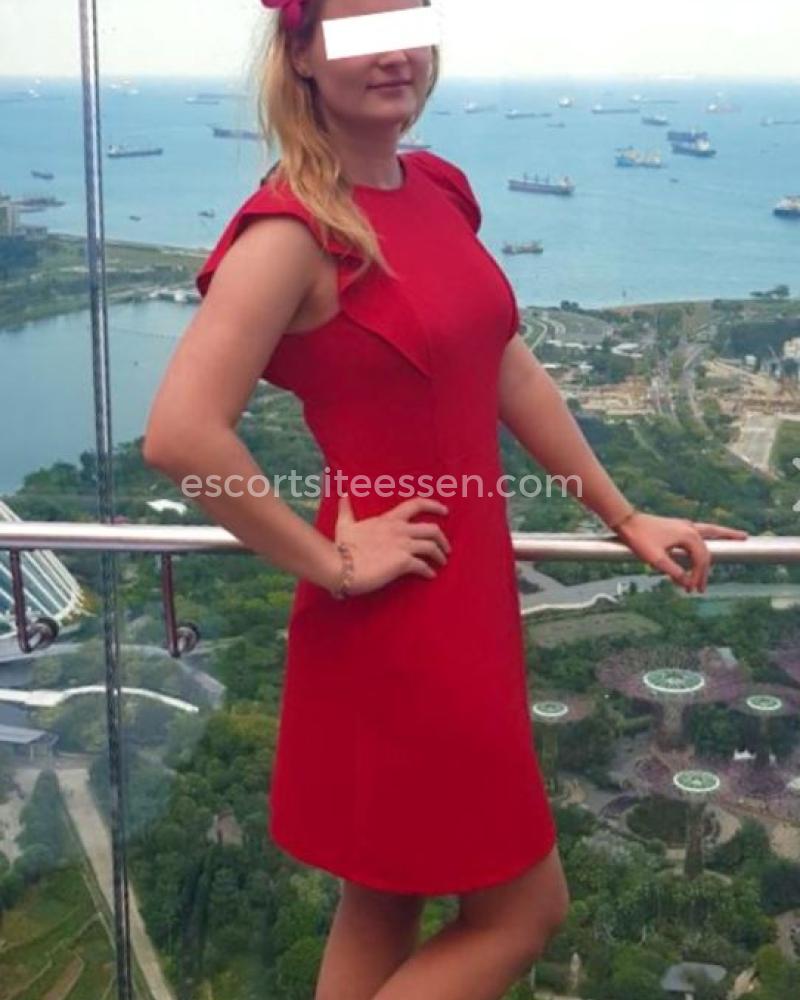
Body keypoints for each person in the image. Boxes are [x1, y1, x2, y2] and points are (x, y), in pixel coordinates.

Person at [142, 1, 750, 997]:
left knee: (385, 897)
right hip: (399, 620)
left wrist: (621, 513)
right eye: (355, 29)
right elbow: (179, 435)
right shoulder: (293, 230)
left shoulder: (437, 189)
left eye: (408, 21)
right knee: (524, 911)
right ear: (300, 55)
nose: (393, 53)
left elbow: (504, 366)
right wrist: (332, 561)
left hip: (462, 599)